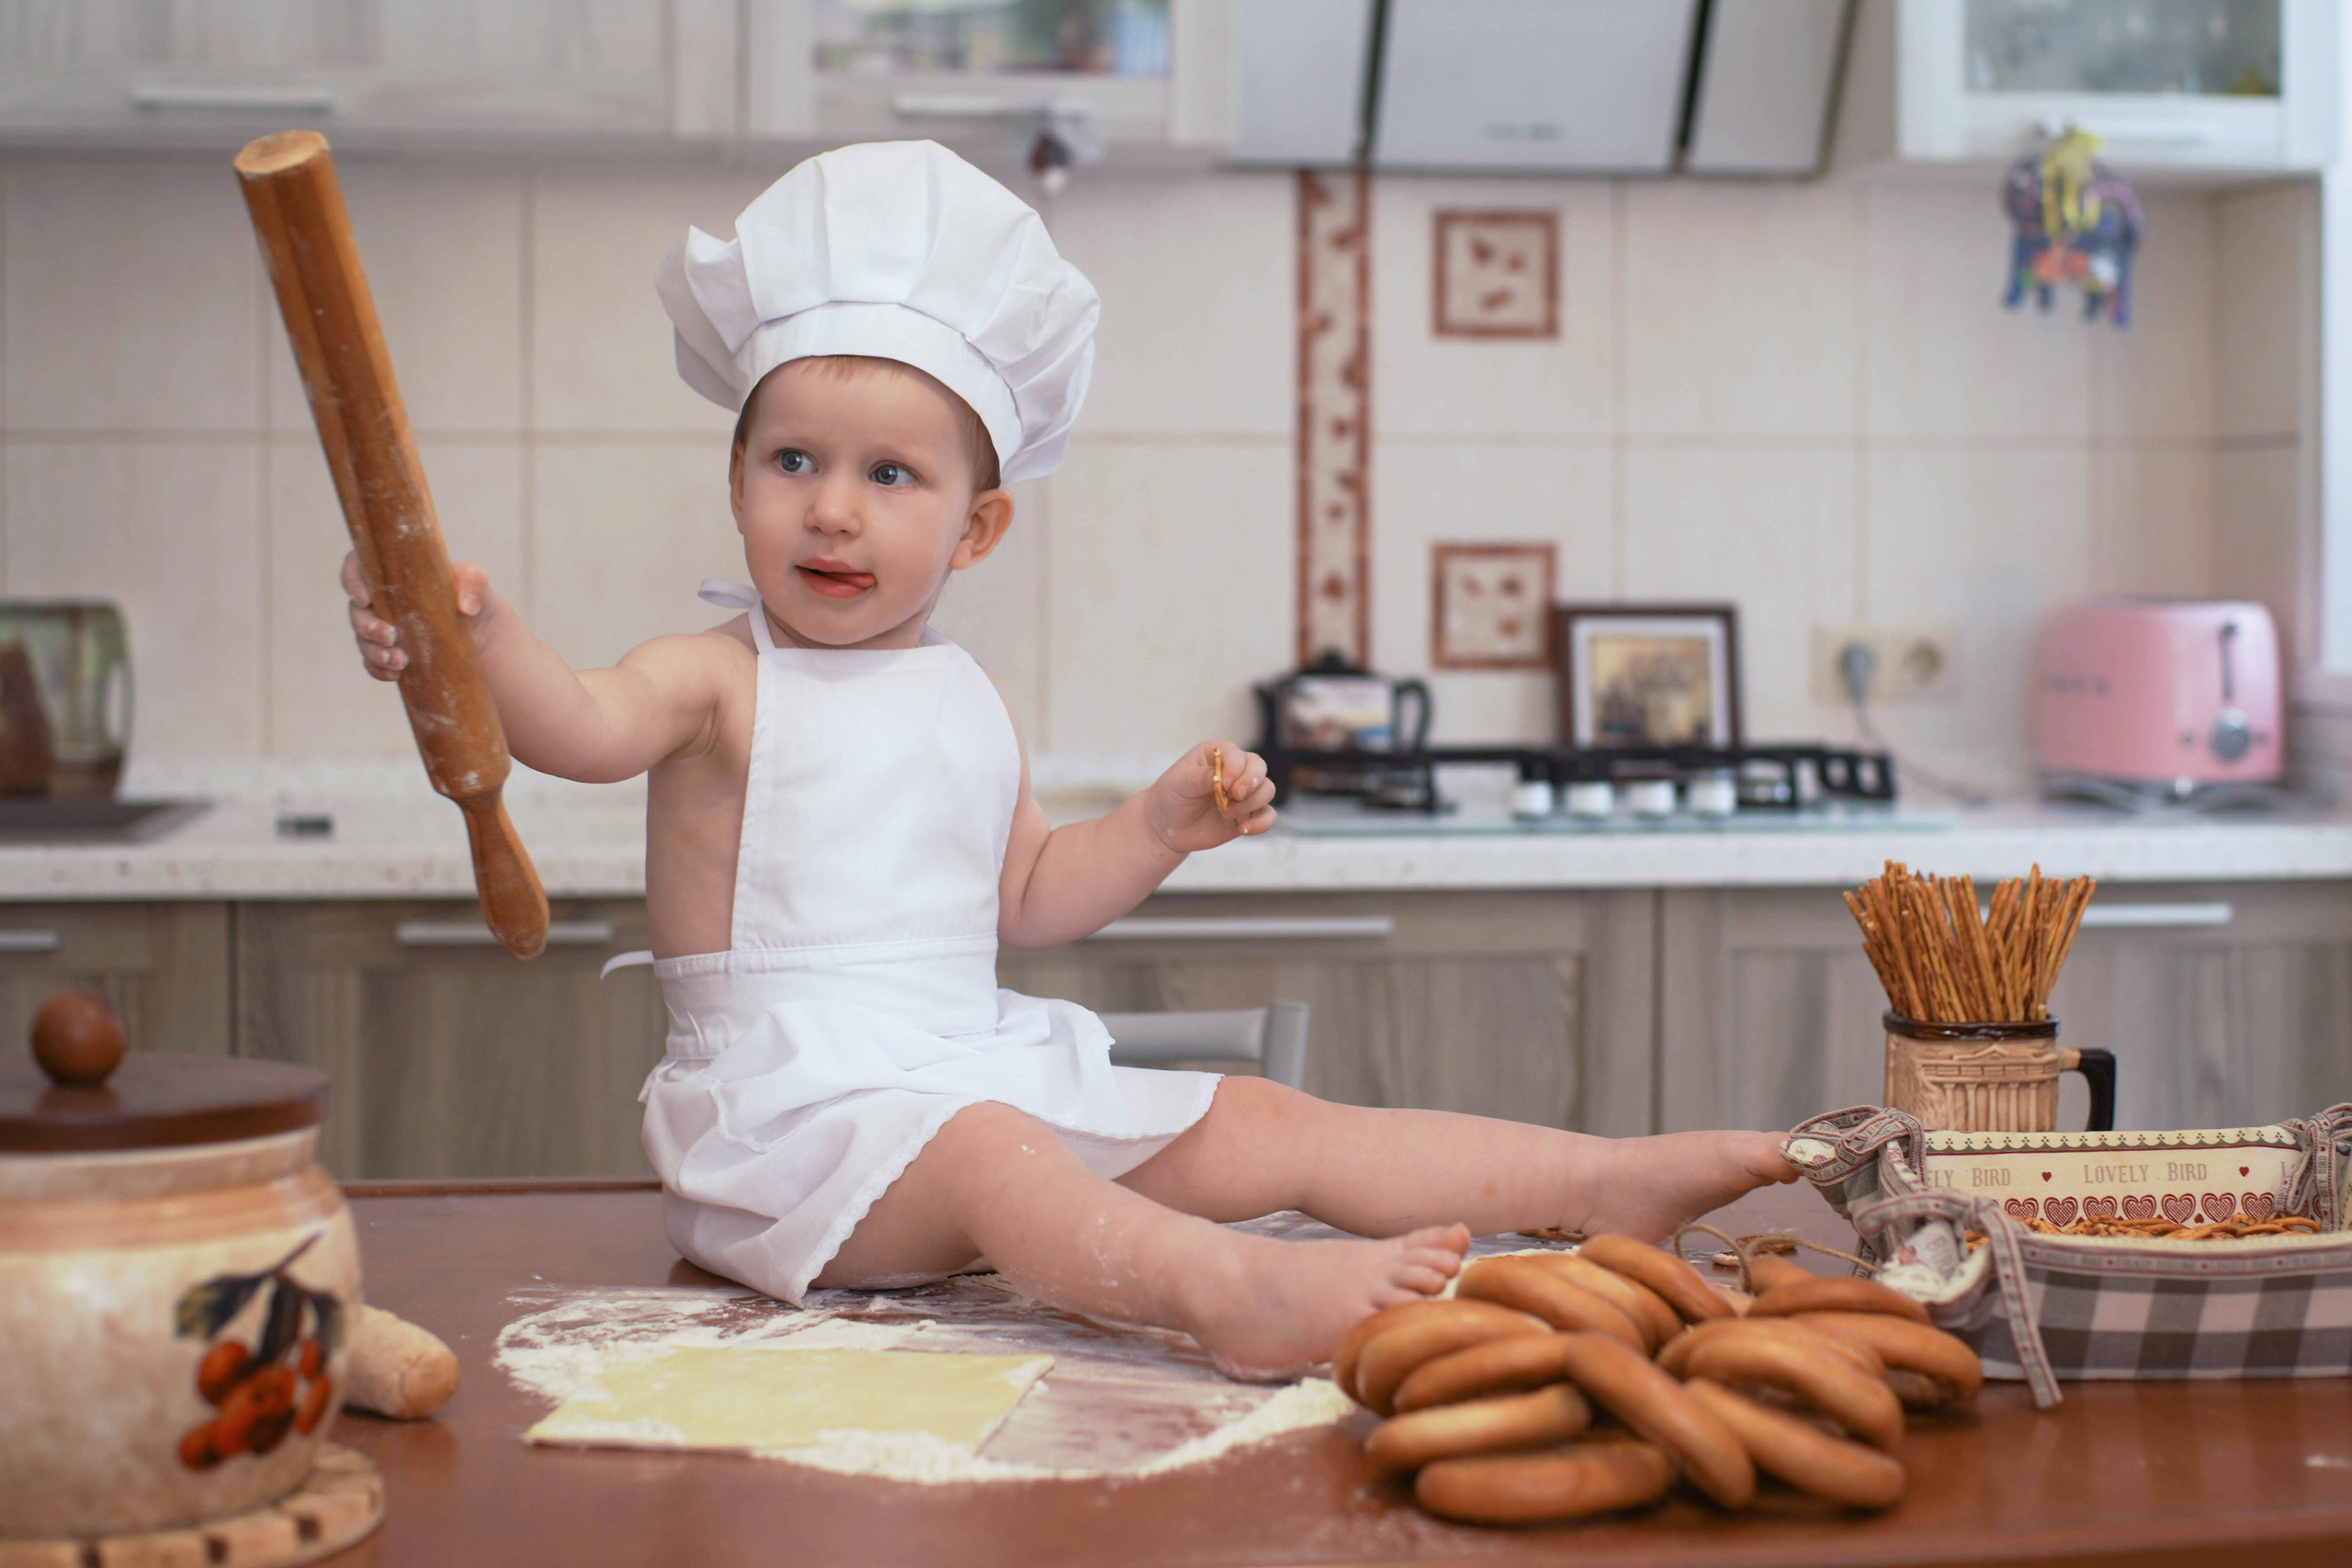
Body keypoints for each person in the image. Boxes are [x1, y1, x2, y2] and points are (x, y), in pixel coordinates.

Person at [344, 141, 1794, 1380]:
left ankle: (1596, 1184)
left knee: (1263, 1121)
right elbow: (576, 727)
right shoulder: (714, 679)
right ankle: (1228, 1295)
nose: (833, 510)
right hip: (789, 1140)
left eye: (890, 474)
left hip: (962, 1076)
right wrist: (477, 642)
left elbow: (1029, 899)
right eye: (794, 462)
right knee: (998, 1156)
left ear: (976, 528)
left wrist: (1155, 827)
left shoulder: (965, 695)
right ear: (737, 483)